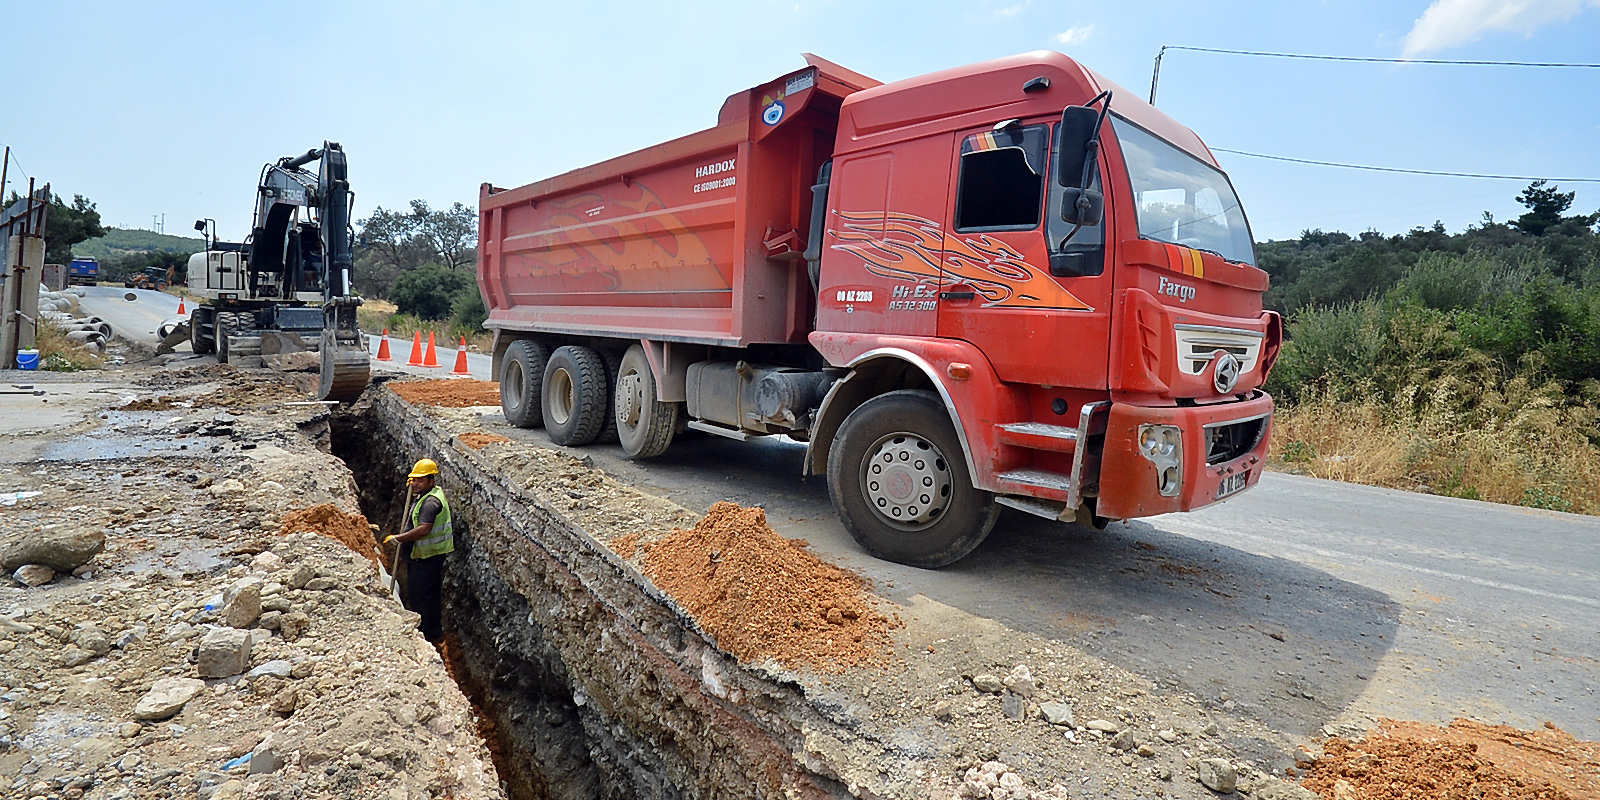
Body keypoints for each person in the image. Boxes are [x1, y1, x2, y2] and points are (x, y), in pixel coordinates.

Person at [384, 458, 454, 642]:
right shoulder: (430, 493)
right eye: (414, 480)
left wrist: (398, 539)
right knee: (431, 595)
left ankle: (424, 635)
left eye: (420, 480)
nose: (415, 483)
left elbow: (424, 528)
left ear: (432, 481)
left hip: (425, 558)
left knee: (420, 598)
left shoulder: (431, 503)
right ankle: (434, 630)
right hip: (429, 556)